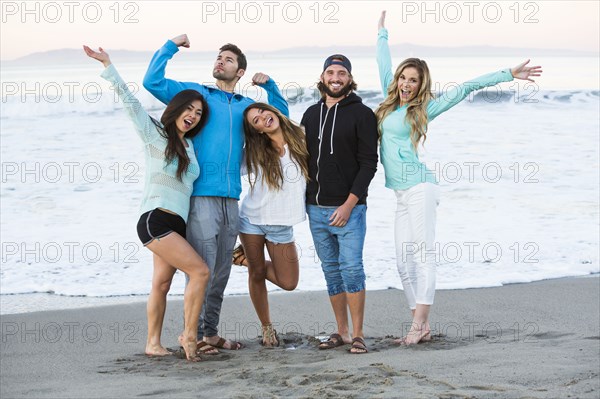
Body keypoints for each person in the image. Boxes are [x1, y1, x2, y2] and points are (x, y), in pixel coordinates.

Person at [375, 11, 543, 345]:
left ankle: (420, 324)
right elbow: (383, 64)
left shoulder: (424, 110)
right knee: (402, 259)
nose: (406, 84)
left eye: (414, 80)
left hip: (421, 187)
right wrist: (381, 34)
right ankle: (417, 324)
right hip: (400, 193)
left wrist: (508, 73)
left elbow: (466, 87)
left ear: (422, 85)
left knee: (422, 253)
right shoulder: (389, 102)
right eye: (403, 78)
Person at [143, 34, 289, 353]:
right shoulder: (198, 96)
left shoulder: (246, 106)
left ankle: (210, 333)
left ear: (239, 72)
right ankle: (191, 336)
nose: (220, 61)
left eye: (228, 59)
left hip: (231, 199)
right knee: (202, 269)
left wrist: (270, 86)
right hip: (202, 199)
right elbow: (152, 81)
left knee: (221, 270)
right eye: (219, 57)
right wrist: (170, 46)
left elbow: (280, 116)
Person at [83, 45, 211, 361]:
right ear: (177, 108)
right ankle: (189, 334)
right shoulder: (154, 134)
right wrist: (108, 65)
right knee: (200, 272)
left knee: (162, 284)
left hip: (176, 225)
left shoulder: (192, 147)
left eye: (198, 113)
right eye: (189, 109)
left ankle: (153, 344)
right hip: (155, 219)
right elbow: (130, 103)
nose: (193, 116)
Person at [301, 54, 379, 354]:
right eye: (331, 72)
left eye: (342, 72)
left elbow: (368, 164)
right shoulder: (310, 114)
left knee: (352, 269)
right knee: (331, 271)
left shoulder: (362, 114)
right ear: (322, 78)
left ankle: (358, 334)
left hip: (350, 210)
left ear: (350, 79)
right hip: (315, 209)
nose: (336, 77)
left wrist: (349, 204)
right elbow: (300, 159)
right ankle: (342, 332)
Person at [231, 102, 309, 347]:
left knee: (288, 282)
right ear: (257, 131)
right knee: (256, 274)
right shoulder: (255, 151)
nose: (263, 117)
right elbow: (228, 164)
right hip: (251, 220)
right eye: (256, 120)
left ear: (273, 111)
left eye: (263, 111)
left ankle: (242, 259)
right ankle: (267, 329)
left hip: (282, 224)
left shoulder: (302, 137)